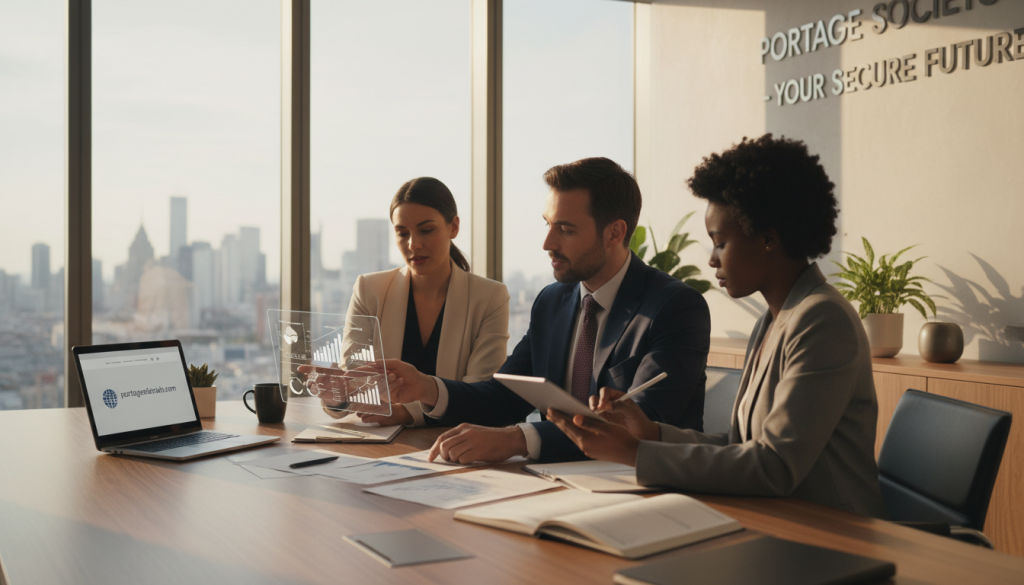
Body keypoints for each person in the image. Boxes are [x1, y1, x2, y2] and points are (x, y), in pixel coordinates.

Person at [548, 135, 887, 517]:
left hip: (831, 532)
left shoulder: (823, 321)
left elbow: (774, 467)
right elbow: (741, 446)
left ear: (769, 239)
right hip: (776, 517)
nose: (711, 260)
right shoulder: (774, 319)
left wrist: (634, 453)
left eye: (720, 243)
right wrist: (650, 433)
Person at [383, 157, 711, 463]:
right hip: (553, 483)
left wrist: (517, 439)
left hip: (645, 491)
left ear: (615, 233)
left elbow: (641, 425)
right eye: (548, 225)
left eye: (565, 230)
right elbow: (505, 396)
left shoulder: (674, 307)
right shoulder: (552, 301)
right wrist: (427, 387)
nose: (548, 243)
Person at [308, 177, 510, 427]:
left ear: (454, 227)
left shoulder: (490, 297)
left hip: (454, 443)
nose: (414, 244)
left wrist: (408, 414)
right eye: (402, 233)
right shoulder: (369, 290)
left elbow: (480, 394)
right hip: (384, 449)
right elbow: (356, 385)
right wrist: (335, 396)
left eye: (426, 230)